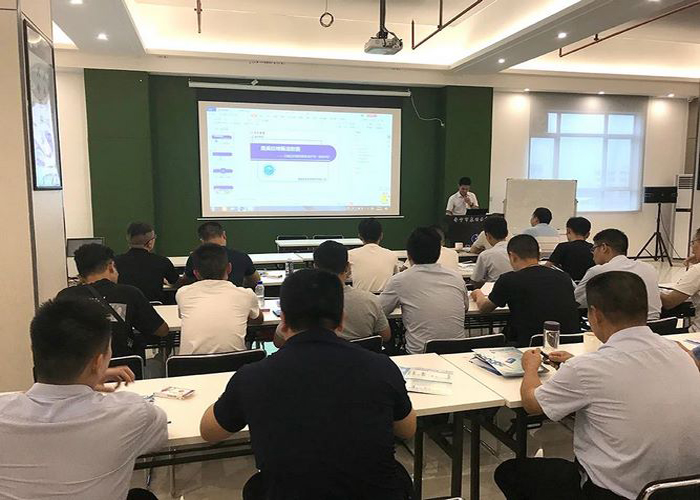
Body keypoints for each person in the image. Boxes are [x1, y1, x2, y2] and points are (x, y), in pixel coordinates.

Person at [199, 269, 416, 499]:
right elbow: (407, 429)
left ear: (283, 322)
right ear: (341, 320)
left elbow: (209, 432)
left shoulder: (252, 377)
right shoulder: (381, 367)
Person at [496, 271, 700, 500]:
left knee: (510, 472)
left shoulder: (587, 368)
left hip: (616, 493)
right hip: (687, 490)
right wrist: (575, 364)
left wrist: (530, 367)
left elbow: (532, 404)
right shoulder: (680, 353)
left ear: (595, 315)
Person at [0, 298, 167, 500]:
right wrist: (90, 379)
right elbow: (160, 436)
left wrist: (86, 379)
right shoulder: (132, 413)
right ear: (98, 361)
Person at [57, 243, 169, 359]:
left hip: (80, 366)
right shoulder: (129, 293)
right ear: (111, 266)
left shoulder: (65, 296)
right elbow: (162, 330)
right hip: (124, 366)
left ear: (80, 273)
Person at [471, 234, 580, 347]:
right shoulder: (563, 277)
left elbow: (485, 308)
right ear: (538, 255)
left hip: (529, 345)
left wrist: (478, 293)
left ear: (512, 256)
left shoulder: (509, 279)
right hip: (569, 343)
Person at [380, 227, 467, 353]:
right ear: (439, 253)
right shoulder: (456, 278)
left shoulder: (399, 280)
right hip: (458, 354)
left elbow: (379, 312)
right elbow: (465, 308)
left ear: (409, 255)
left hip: (420, 356)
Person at [177, 243, 263, 355]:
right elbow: (258, 319)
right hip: (234, 363)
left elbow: (182, 316)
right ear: (229, 268)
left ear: (196, 273)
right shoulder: (246, 295)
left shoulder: (183, 293)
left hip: (189, 365)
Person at [575, 229, 661, 320]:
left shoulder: (598, 271)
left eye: (593, 249)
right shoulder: (649, 267)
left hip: (621, 327)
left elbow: (575, 302)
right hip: (658, 325)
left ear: (604, 247)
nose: (593, 254)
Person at [314, 240, 391, 342]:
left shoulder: (304, 302)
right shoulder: (370, 300)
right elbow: (386, 336)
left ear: (315, 268)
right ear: (348, 267)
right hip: (361, 352)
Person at [114, 222, 180, 303]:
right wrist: (166, 281)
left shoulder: (116, 261)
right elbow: (176, 283)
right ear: (150, 243)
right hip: (155, 306)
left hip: (127, 307)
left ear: (128, 240)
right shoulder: (162, 261)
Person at [182, 222, 260, 289]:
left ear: (202, 241)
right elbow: (255, 281)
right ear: (224, 235)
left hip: (204, 298)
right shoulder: (242, 256)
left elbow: (185, 282)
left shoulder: (195, 257)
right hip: (235, 298)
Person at [661, 227, 700, 330]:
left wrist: (650, 288)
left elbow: (669, 302)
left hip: (696, 335)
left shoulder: (697, 270)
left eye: (693, 243)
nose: (692, 249)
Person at [348, 218, 399, 292]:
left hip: (360, 298)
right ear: (381, 235)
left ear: (360, 236)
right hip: (383, 298)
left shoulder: (350, 255)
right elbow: (397, 278)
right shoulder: (392, 255)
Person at [546, 217, 595, 282]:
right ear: (588, 234)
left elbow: (548, 267)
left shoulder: (562, 247)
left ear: (568, 231)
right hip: (588, 285)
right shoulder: (594, 249)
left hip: (566, 284)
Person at [471, 215, 511, 287]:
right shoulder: (517, 251)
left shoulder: (485, 255)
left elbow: (475, 281)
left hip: (493, 291)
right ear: (507, 233)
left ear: (488, 236)